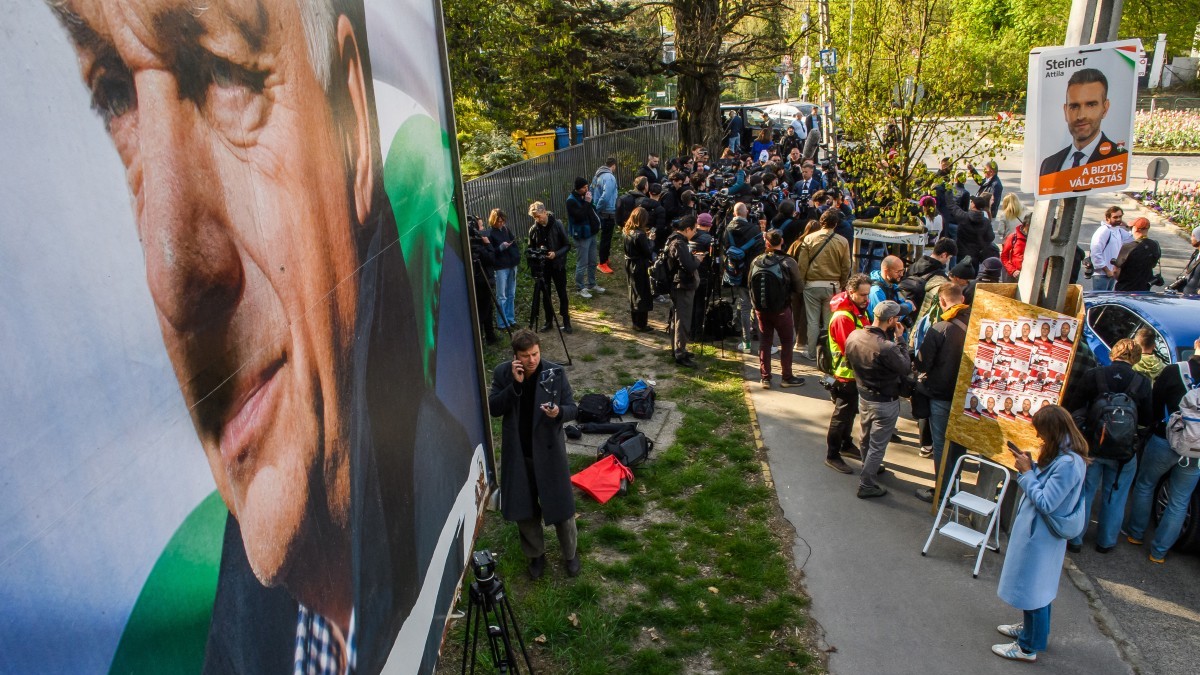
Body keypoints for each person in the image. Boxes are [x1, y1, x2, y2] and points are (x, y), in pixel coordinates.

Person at [49, 0, 477, 669]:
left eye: (223, 71)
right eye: (116, 93)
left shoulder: (449, 495)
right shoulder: (244, 614)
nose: (169, 276)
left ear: (354, 134)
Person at [993, 405, 1088, 662]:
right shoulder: (1067, 456)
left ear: (1053, 431)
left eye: (1042, 432)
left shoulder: (1068, 463)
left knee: (1034, 589)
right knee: (1037, 588)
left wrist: (1026, 474)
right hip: (1041, 535)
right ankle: (1031, 633)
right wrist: (1033, 468)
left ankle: (1027, 647)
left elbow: (1046, 502)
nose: (1039, 438)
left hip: (1041, 536)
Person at [489, 330, 581, 580]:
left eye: (535, 354)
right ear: (515, 356)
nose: (532, 360)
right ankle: (536, 555)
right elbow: (494, 408)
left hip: (549, 454)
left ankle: (571, 554)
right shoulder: (503, 373)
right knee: (525, 509)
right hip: (520, 454)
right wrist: (514, 385)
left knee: (561, 508)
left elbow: (573, 408)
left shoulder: (554, 373)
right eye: (526, 356)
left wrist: (558, 412)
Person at [1064, 339, 1152, 553]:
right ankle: (1106, 542)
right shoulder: (1142, 382)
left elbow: (1074, 406)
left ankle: (1076, 538)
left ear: (1113, 354)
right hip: (1123, 451)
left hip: (1092, 444)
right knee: (1116, 495)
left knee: (1085, 491)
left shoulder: (1095, 375)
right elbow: (1149, 418)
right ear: (1136, 358)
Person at [1124, 338, 1200, 563]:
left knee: (1146, 484)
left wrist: (1150, 425)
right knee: (1180, 500)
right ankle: (1159, 552)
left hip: (1165, 439)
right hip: (1196, 450)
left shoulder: (1175, 370)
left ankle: (1136, 534)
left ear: (1196, 345)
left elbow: (1154, 403)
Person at [844, 301, 912, 499]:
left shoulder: (855, 335)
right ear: (891, 320)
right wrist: (901, 340)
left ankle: (868, 467)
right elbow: (905, 367)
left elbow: (849, 361)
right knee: (878, 445)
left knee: (865, 437)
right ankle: (866, 483)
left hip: (863, 395)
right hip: (884, 401)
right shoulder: (888, 347)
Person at [915, 284, 971, 503]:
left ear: (942, 302)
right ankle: (954, 486)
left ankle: (942, 491)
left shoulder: (940, 328)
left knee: (941, 445)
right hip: (968, 398)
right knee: (959, 444)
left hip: (941, 395)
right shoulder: (978, 323)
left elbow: (922, 363)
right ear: (963, 298)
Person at [1038, 68, 1128, 177]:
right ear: (1065, 111)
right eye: (1074, 106)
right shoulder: (1048, 164)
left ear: (1105, 108)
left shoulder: (1119, 159)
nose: (1081, 116)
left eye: (1091, 105)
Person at [750, 230, 806, 389]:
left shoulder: (756, 261)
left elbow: (749, 284)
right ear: (781, 241)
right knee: (787, 341)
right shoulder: (788, 262)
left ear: (766, 244)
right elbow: (799, 287)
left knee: (765, 342)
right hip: (782, 308)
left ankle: (765, 377)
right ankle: (786, 377)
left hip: (761, 309)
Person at [795, 209, 852, 361]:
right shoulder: (843, 241)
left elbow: (802, 265)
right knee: (829, 321)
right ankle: (828, 354)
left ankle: (812, 353)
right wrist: (843, 283)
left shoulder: (809, 239)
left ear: (821, 221)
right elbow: (846, 265)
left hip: (812, 284)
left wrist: (801, 282)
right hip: (833, 285)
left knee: (812, 320)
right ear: (836, 224)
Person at [724, 202, 766, 353]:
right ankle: (763, 340)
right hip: (754, 272)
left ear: (735, 214)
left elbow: (725, 249)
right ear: (746, 212)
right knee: (758, 307)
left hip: (737, 273)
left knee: (744, 307)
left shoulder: (727, 229)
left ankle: (746, 342)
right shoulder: (754, 229)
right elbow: (761, 251)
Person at [527, 202, 572, 333]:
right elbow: (530, 249)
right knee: (546, 295)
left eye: (538, 216)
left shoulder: (557, 224)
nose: (537, 219)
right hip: (543, 267)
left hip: (558, 265)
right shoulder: (534, 229)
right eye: (534, 217)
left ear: (544, 212)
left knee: (562, 293)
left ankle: (566, 321)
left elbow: (567, 245)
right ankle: (548, 321)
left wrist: (556, 254)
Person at [667, 216, 706, 368]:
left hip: (678, 285)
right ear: (687, 229)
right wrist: (698, 260)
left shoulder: (673, 239)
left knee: (677, 318)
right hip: (682, 286)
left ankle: (677, 348)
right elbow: (688, 266)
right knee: (682, 320)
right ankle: (680, 353)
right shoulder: (679, 243)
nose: (695, 233)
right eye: (694, 230)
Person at [566, 177, 605, 299]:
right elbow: (579, 216)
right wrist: (587, 202)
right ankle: (580, 287)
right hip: (582, 235)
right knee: (582, 262)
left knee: (593, 261)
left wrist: (589, 202)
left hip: (591, 233)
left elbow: (591, 211)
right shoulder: (571, 201)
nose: (586, 189)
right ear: (578, 188)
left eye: (587, 187)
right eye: (584, 187)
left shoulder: (585, 197)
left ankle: (592, 284)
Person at [623, 207, 655, 332]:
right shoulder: (640, 235)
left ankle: (635, 322)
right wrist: (651, 241)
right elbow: (647, 252)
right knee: (643, 293)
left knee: (633, 291)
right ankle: (641, 324)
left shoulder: (627, 231)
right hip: (640, 265)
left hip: (629, 263)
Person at [469, 216, 498, 344]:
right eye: (480, 226)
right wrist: (488, 244)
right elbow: (491, 259)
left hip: (483, 282)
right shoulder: (478, 247)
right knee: (482, 312)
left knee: (488, 310)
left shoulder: (475, 244)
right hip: (482, 283)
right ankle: (480, 341)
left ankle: (490, 337)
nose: (482, 229)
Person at [489, 209, 520, 330]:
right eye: (498, 222)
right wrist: (500, 248)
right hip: (501, 267)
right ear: (494, 221)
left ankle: (510, 319)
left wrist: (516, 256)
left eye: (502, 221)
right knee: (502, 296)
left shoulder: (506, 230)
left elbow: (514, 243)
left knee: (511, 294)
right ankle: (502, 322)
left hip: (512, 265)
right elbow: (491, 252)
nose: (501, 224)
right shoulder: (491, 233)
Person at [1089, 206, 1131, 291]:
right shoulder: (1103, 231)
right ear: (1107, 218)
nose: (1118, 219)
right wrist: (1107, 270)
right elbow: (1095, 252)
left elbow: (1133, 237)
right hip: (1102, 274)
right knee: (1100, 301)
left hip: (1112, 273)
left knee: (1108, 300)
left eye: (1120, 217)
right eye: (1115, 217)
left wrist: (1127, 226)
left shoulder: (1118, 230)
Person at [1113, 217, 1161, 292]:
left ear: (1136, 229)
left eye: (1132, 227)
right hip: (1144, 289)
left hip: (1126, 289)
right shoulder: (1155, 245)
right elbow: (1153, 264)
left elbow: (1116, 271)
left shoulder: (1128, 247)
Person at [591, 157, 619, 275]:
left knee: (605, 236)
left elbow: (592, 192)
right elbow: (606, 195)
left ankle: (605, 258)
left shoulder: (597, 176)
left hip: (601, 211)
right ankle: (602, 263)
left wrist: (595, 206)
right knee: (606, 238)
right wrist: (599, 207)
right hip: (608, 211)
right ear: (613, 166)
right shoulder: (610, 177)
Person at [867, 255, 914, 322]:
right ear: (886, 271)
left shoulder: (892, 285)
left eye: (902, 271)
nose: (901, 275)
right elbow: (884, 319)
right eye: (898, 272)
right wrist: (908, 306)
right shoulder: (876, 291)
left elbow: (899, 302)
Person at [1001, 215, 1030, 281]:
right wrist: (1013, 270)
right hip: (1013, 276)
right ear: (1027, 225)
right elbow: (1004, 256)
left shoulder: (1038, 239)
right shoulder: (1013, 237)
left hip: (1030, 276)